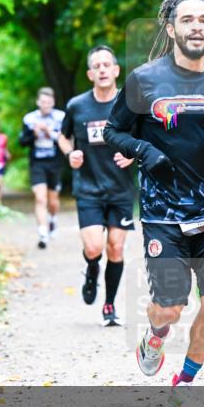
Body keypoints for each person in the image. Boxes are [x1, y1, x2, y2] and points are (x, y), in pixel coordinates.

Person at [104, 0, 204, 407]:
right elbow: (113, 132)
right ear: (171, 28)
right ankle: (154, 335)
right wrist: (143, 150)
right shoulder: (143, 80)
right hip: (161, 211)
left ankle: (184, 384)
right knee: (170, 308)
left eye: (203, 21)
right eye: (187, 20)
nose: (196, 27)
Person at [58, 45, 136, 326]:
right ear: (91, 74)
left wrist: (132, 154)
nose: (102, 70)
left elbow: (144, 139)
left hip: (120, 189)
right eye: (97, 66)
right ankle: (92, 268)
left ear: (116, 71)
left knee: (116, 247)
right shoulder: (77, 106)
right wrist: (70, 154)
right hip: (89, 188)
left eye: (107, 65)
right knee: (94, 248)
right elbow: (63, 137)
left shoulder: (128, 105)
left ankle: (109, 306)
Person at [18, 87, 65, 249]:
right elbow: (22, 142)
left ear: (53, 102)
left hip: (54, 162)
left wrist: (48, 131)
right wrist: (34, 134)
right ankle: (43, 233)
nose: (46, 105)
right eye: (43, 102)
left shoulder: (61, 117)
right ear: (38, 102)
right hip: (37, 163)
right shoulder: (29, 119)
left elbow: (66, 139)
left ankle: (52, 218)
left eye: (49, 102)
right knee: (40, 198)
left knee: (52, 201)